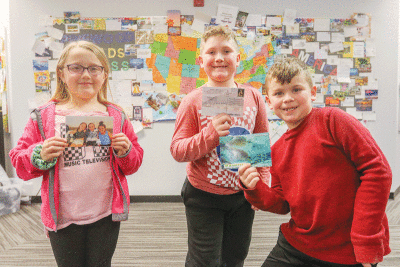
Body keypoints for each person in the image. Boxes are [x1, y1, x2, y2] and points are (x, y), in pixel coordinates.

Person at [238, 57, 392, 267]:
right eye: (279, 93)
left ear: (312, 92)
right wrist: (254, 188)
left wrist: (365, 241)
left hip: (347, 250)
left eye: (296, 89)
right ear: (268, 101)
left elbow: (378, 171)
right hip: (296, 245)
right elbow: (282, 203)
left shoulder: (333, 120)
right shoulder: (277, 150)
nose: (287, 99)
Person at [9, 40, 144, 267]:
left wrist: (126, 151)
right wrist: (39, 154)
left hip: (105, 214)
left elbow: (133, 163)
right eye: (76, 67)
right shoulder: (43, 117)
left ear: (104, 74)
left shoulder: (116, 115)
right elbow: (19, 162)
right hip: (63, 217)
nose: (86, 74)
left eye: (94, 68)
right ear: (61, 73)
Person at [170, 25, 270, 267]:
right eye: (211, 52)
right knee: (204, 260)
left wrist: (263, 185)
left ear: (237, 59)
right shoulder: (192, 100)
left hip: (242, 194)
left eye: (226, 51)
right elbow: (178, 150)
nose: (218, 58)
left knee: (235, 257)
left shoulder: (253, 96)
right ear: (201, 59)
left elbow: (261, 146)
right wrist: (210, 134)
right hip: (203, 194)